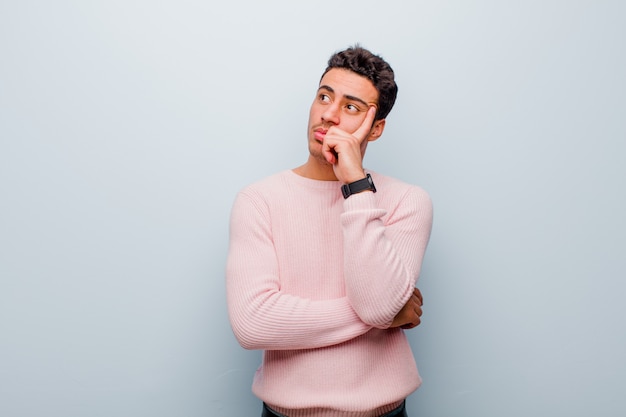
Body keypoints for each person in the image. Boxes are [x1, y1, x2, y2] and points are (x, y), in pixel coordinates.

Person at [226, 45, 433, 417]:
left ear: (376, 128)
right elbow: (252, 324)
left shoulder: (407, 201)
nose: (329, 115)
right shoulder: (259, 200)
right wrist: (387, 315)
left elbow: (377, 302)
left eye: (351, 107)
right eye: (324, 96)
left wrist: (356, 185)